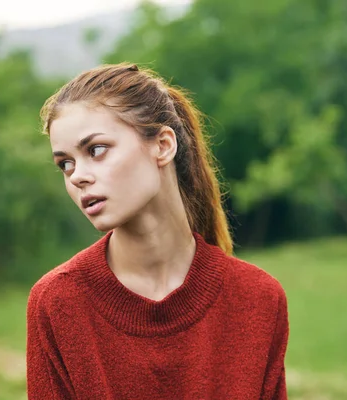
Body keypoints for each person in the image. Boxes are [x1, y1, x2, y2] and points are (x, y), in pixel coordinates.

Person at [27, 63, 289, 399]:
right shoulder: (57, 303)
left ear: (163, 145)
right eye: (66, 163)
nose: (77, 176)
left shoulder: (258, 299)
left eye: (96, 150)